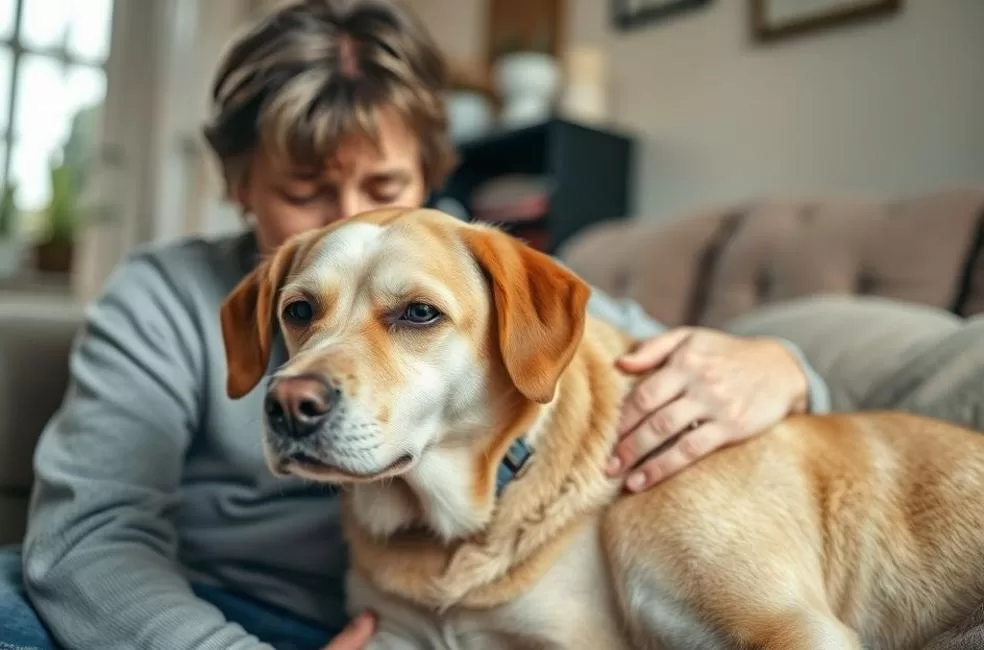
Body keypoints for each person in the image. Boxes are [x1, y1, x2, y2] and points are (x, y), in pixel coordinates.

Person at [0, 1, 829, 648]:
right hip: (201, 615)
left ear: (429, 177)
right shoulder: (160, 294)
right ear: (240, 182)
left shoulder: (469, 267)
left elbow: (652, 353)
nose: (348, 219)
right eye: (304, 190)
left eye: (385, 184)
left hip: (413, 623)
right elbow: (86, 542)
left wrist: (782, 367)